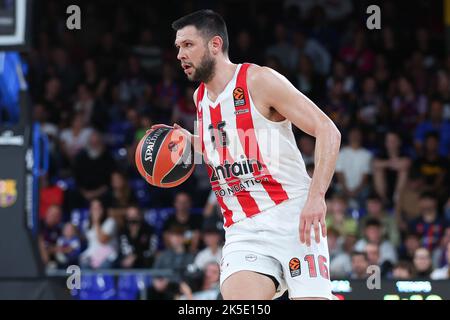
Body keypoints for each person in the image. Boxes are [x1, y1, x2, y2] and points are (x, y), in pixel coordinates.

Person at [153, 10, 341, 300]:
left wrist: (317, 196)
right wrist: (190, 142)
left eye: (188, 45)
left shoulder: (259, 80)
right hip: (243, 229)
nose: (180, 54)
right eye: (178, 47)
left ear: (215, 45)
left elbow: (328, 131)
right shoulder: (199, 98)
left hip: (294, 218)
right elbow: (227, 147)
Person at [335, 127, 372, 209]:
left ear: (361, 136)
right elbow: (339, 174)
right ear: (349, 136)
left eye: (357, 135)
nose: (355, 136)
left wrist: (355, 191)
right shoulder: (341, 153)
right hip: (343, 188)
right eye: (353, 134)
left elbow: (365, 177)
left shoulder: (367, 155)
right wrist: (346, 190)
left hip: (361, 190)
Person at [79, 199, 118, 269]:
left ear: (103, 209)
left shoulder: (110, 222)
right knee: (83, 262)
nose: (96, 211)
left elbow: (102, 240)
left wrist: (97, 222)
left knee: (104, 265)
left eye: (98, 208)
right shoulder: (87, 223)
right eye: (94, 208)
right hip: (92, 255)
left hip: (107, 255)